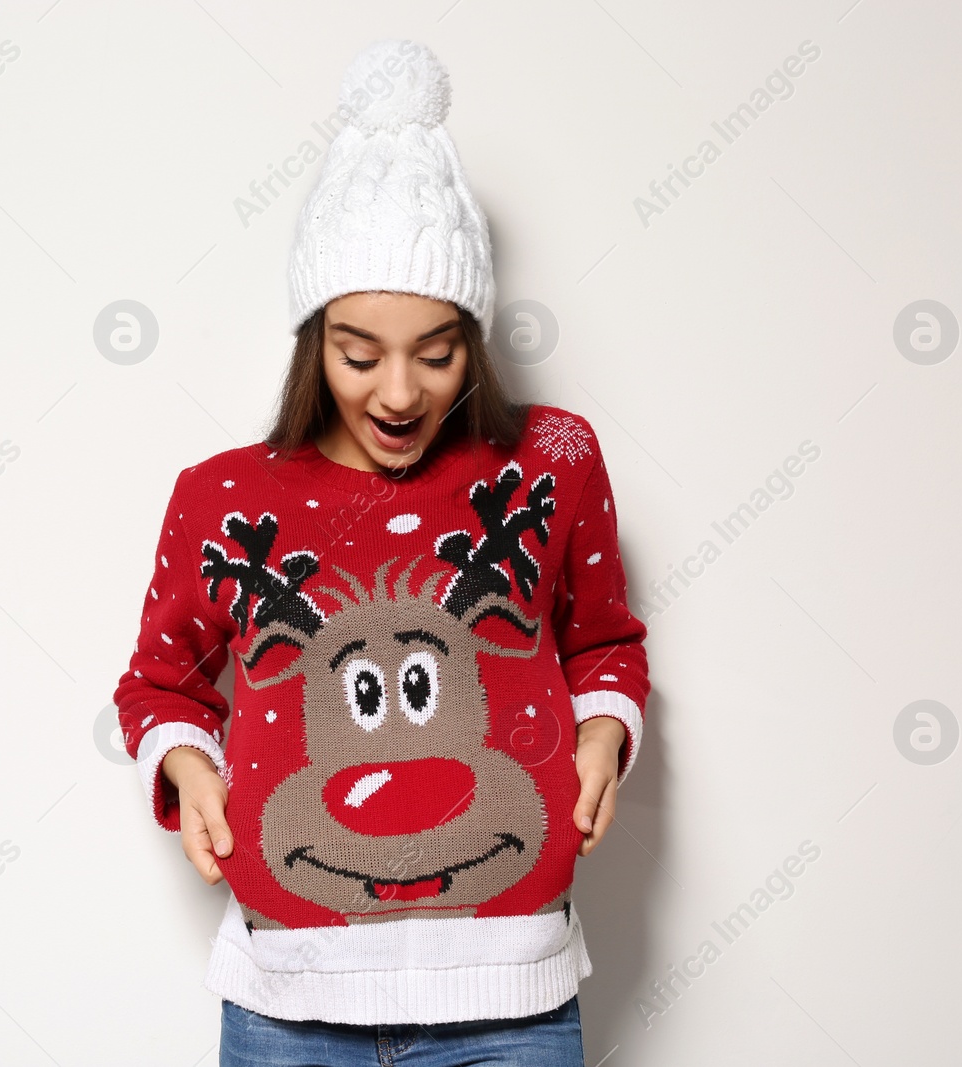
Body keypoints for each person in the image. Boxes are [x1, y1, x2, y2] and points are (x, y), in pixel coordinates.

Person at [113, 38, 650, 1066]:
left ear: (476, 338)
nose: (397, 392)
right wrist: (188, 762)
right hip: (288, 1004)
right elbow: (160, 683)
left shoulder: (556, 460)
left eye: (436, 351)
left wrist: (599, 738)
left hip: (513, 998)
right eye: (359, 353)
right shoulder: (223, 495)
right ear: (313, 339)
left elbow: (604, 644)